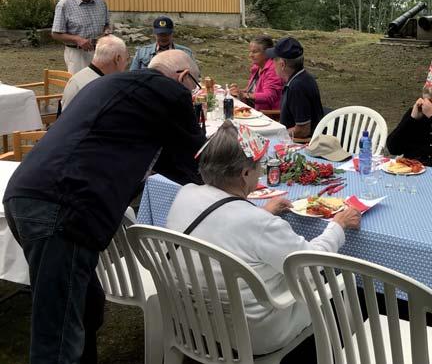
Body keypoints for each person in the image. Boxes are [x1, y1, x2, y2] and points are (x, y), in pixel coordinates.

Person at [2, 50, 204, 364]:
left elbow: (163, 161)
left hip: (24, 193)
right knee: (56, 338)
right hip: (62, 205)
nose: (192, 93)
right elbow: (190, 162)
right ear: (181, 77)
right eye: (194, 85)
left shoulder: (113, 84)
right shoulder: (172, 92)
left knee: (87, 305)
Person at [166, 120, 361, 356]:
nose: (261, 172)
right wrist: (337, 226)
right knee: (343, 285)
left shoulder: (185, 193)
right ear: (245, 174)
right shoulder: (259, 224)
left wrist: (262, 212)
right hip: (252, 334)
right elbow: (310, 265)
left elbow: (224, 226)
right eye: (259, 166)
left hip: (190, 319)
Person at [51, 0, 111, 74]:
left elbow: (106, 25)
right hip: (77, 54)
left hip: (100, 52)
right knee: (80, 85)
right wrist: (77, 39)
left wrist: (107, 31)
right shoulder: (64, 5)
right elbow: (56, 34)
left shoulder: (100, 2)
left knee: (101, 84)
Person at [266, 36, 324, 139]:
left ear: (282, 64)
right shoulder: (303, 77)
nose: (272, 63)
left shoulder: (297, 87)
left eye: (274, 59)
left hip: (301, 145)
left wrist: (276, 134)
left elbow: (303, 130)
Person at [61, 35, 129, 110]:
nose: (126, 64)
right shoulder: (103, 88)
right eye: (126, 59)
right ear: (117, 59)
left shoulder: (77, 78)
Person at [229, 34, 284, 110]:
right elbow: (252, 91)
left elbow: (269, 96)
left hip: (265, 115)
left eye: (255, 52)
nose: (250, 55)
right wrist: (238, 91)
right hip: (251, 110)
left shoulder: (273, 69)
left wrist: (245, 95)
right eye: (250, 51)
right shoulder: (257, 67)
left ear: (267, 53)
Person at [129, 15, 194, 70]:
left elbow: (195, 77)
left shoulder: (186, 53)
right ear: (154, 34)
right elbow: (132, 76)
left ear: (172, 33)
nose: (163, 38)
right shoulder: (141, 53)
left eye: (166, 34)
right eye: (160, 35)